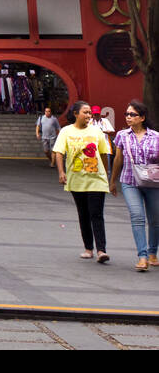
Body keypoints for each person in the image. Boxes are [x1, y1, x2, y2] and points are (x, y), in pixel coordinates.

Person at [52, 100, 112, 263]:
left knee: (96, 214)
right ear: (75, 114)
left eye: (89, 112)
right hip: (76, 179)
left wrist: (106, 175)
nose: (89, 115)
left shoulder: (96, 131)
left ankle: (101, 250)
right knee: (83, 214)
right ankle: (88, 248)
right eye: (85, 112)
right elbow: (58, 152)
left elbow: (104, 153)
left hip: (96, 179)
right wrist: (61, 172)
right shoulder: (66, 131)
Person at [108, 99, 159, 271]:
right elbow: (118, 159)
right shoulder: (122, 136)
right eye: (127, 114)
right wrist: (112, 181)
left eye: (132, 114)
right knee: (137, 216)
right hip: (129, 181)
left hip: (152, 183)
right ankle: (142, 257)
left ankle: (153, 252)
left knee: (155, 220)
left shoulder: (156, 137)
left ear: (142, 117)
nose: (128, 117)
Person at [90, 105, 116, 175]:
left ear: (100, 113)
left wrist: (102, 131)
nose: (96, 116)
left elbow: (112, 132)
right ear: (92, 114)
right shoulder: (89, 122)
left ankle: (107, 184)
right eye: (95, 114)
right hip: (92, 148)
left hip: (105, 147)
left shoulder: (105, 121)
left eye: (97, 114)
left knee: (107, 169)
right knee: (93, 168)